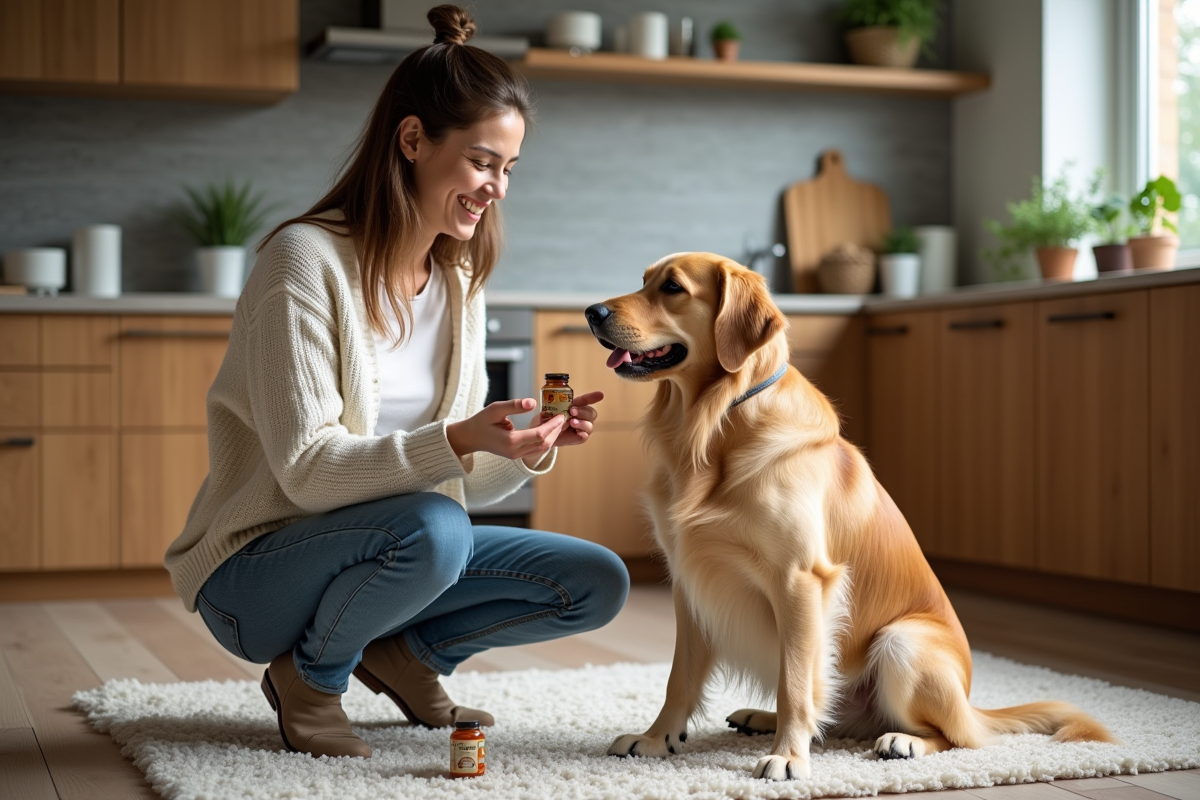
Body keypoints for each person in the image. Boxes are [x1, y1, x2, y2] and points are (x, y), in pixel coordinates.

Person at [164, 5, 630, 760]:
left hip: (403, 549)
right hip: (257, 572)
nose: (497, 188)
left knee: (597, 580)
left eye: (509, 169)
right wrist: (451, 439)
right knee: (433, 531)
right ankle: (310, 678)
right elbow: (309, 476)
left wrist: (518, 447)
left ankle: (405, 658)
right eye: (482, 162)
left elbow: (461, 488)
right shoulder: (304, 263)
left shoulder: (459, 281)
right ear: (413, 140)